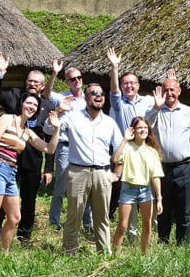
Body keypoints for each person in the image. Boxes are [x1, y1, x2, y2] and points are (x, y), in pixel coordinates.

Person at [0, 92, 61, 252]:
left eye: (35, 105)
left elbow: (49, 149)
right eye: (29, 103)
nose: (31, 107)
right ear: (22, 104)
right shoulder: (6, 119)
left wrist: (56, 129)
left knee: (15, 217)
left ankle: (6, 252)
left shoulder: (27, 132)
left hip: (11, 171)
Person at [0, 52, 59, 241]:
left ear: (42, 85)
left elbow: (47, 136)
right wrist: (0, 73)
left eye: (36, 82)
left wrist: (49, 167)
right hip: (8, 155)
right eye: (30, 81)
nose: (32, 84)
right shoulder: (14, 95)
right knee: (3, 195)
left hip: (32, 156)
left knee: (29, 198)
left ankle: (24, 235)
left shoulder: (45, 106)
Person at [53, 82, 124, 254]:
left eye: (101, 93)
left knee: (102, 218)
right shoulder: (73, 117)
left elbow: (120, 149)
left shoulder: (109, 122)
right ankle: (69, 253)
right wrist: (58, 111)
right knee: (74, 216)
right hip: (78, 171)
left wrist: (117, 173)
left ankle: (104, 255)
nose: (98, 96)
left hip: (102, 173)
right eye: (93, 93)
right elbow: (50, 127)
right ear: (86, 97)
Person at [106, 47, 155, 238]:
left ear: (138, 85)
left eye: (132, 83)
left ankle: (150, 230)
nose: (129, 86)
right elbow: (114, 90)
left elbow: (162, 106)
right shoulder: (118, 104)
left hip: (143, 153)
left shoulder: (147, 102)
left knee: (146, 188)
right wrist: (115, 67)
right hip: (125, 154)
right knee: (128, 191)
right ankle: (132, 232)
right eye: (125, 83)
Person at [145, 74, 190, 245]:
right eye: (166, 90)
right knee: (164, 207)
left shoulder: (189, 112)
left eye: (172, 90)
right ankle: (163, 241)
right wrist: (156, 107)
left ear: (179, 91)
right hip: (162, 167)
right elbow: (145, 126)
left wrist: (181, 151)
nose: (169, 93)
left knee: (184, 208)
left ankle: (182, 244)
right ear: (161, 92)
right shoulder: (155, 112)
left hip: (184, 166)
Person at [47, 64, 92, 232]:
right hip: (66, 146)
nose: (77, 81)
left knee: (87, 186)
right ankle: (54, 221)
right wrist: (54, 73)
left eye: (79, 78)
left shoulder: (88, 98)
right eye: (72, 79)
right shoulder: (63, 98)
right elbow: (46, 94)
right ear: (67, 82)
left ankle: (88, 224)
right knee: (61, 185)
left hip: (84, 148)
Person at [110, 117, 163, 254]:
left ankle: (144, 255)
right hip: (128, 189)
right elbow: (115, 159)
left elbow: (155, 176)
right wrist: (124, 139)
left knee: (147, 224)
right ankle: (113, 256)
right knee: (122, 225)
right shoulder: (127, 147)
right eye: (139, 127)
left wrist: (159, 198)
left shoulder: (152, 151)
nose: (143, 130)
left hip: (145, 190)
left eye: (145, 127)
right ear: (134, 130)